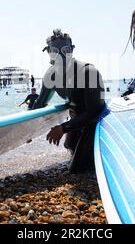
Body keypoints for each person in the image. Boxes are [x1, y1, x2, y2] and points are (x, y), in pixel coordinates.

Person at [32, 29, 106, 173]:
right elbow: (39, 104)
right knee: (69, 146)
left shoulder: (88, 72)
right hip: (76, 119)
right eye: (54, 51)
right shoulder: (51, 75)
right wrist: (28, 132)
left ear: (72, 50)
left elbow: (94, 111)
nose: (60, 55)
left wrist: (63, 128)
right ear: (48, 52)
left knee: (77, 171)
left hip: (95, 123)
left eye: (65, 50)